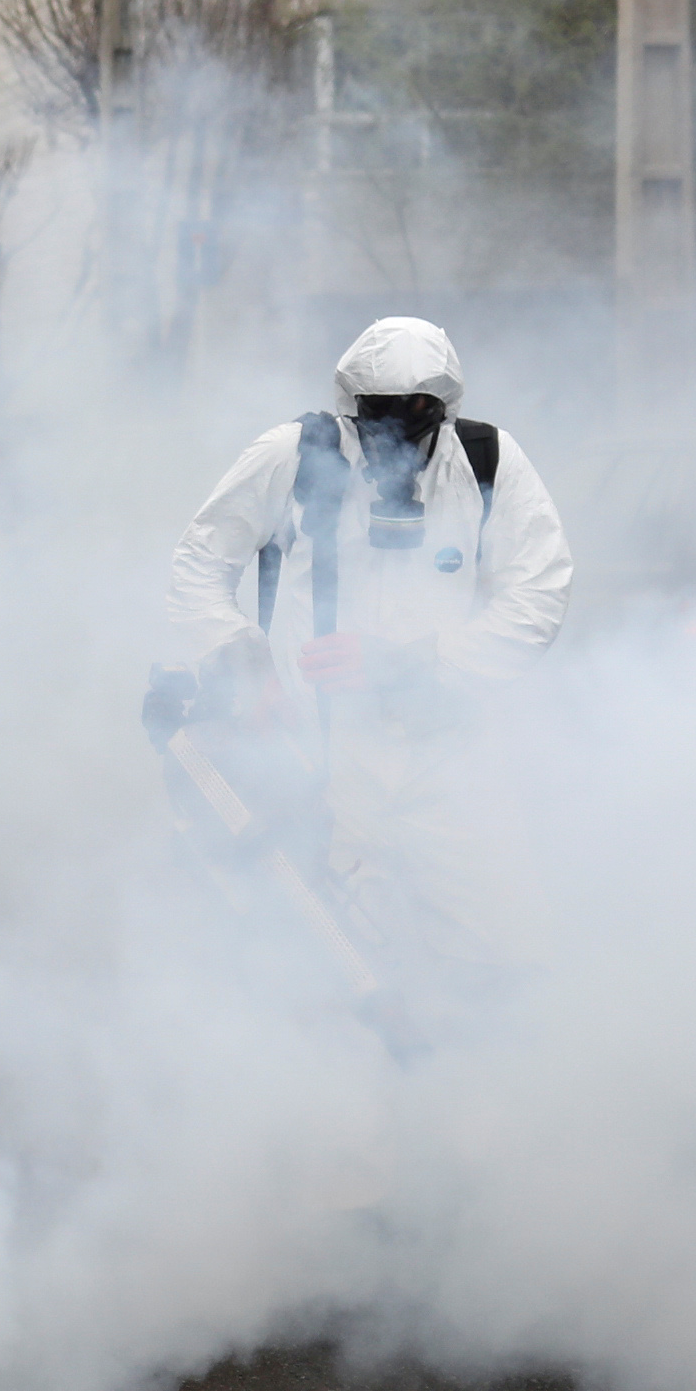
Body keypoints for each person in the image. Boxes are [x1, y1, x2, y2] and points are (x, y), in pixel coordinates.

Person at [164, 316, 574, 980]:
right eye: (379, 416)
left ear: (445, 411)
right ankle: (355, 1073)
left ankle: (474, 1072)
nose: (397, 435)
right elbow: (198, 565)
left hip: (446, 754)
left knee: (505, 949)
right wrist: (247, 668)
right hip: (323, 757)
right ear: (351, 408)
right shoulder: (294, 455)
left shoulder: (485, 462)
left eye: (417, 415)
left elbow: (540, 595)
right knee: (334, 958)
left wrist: (415, 669)